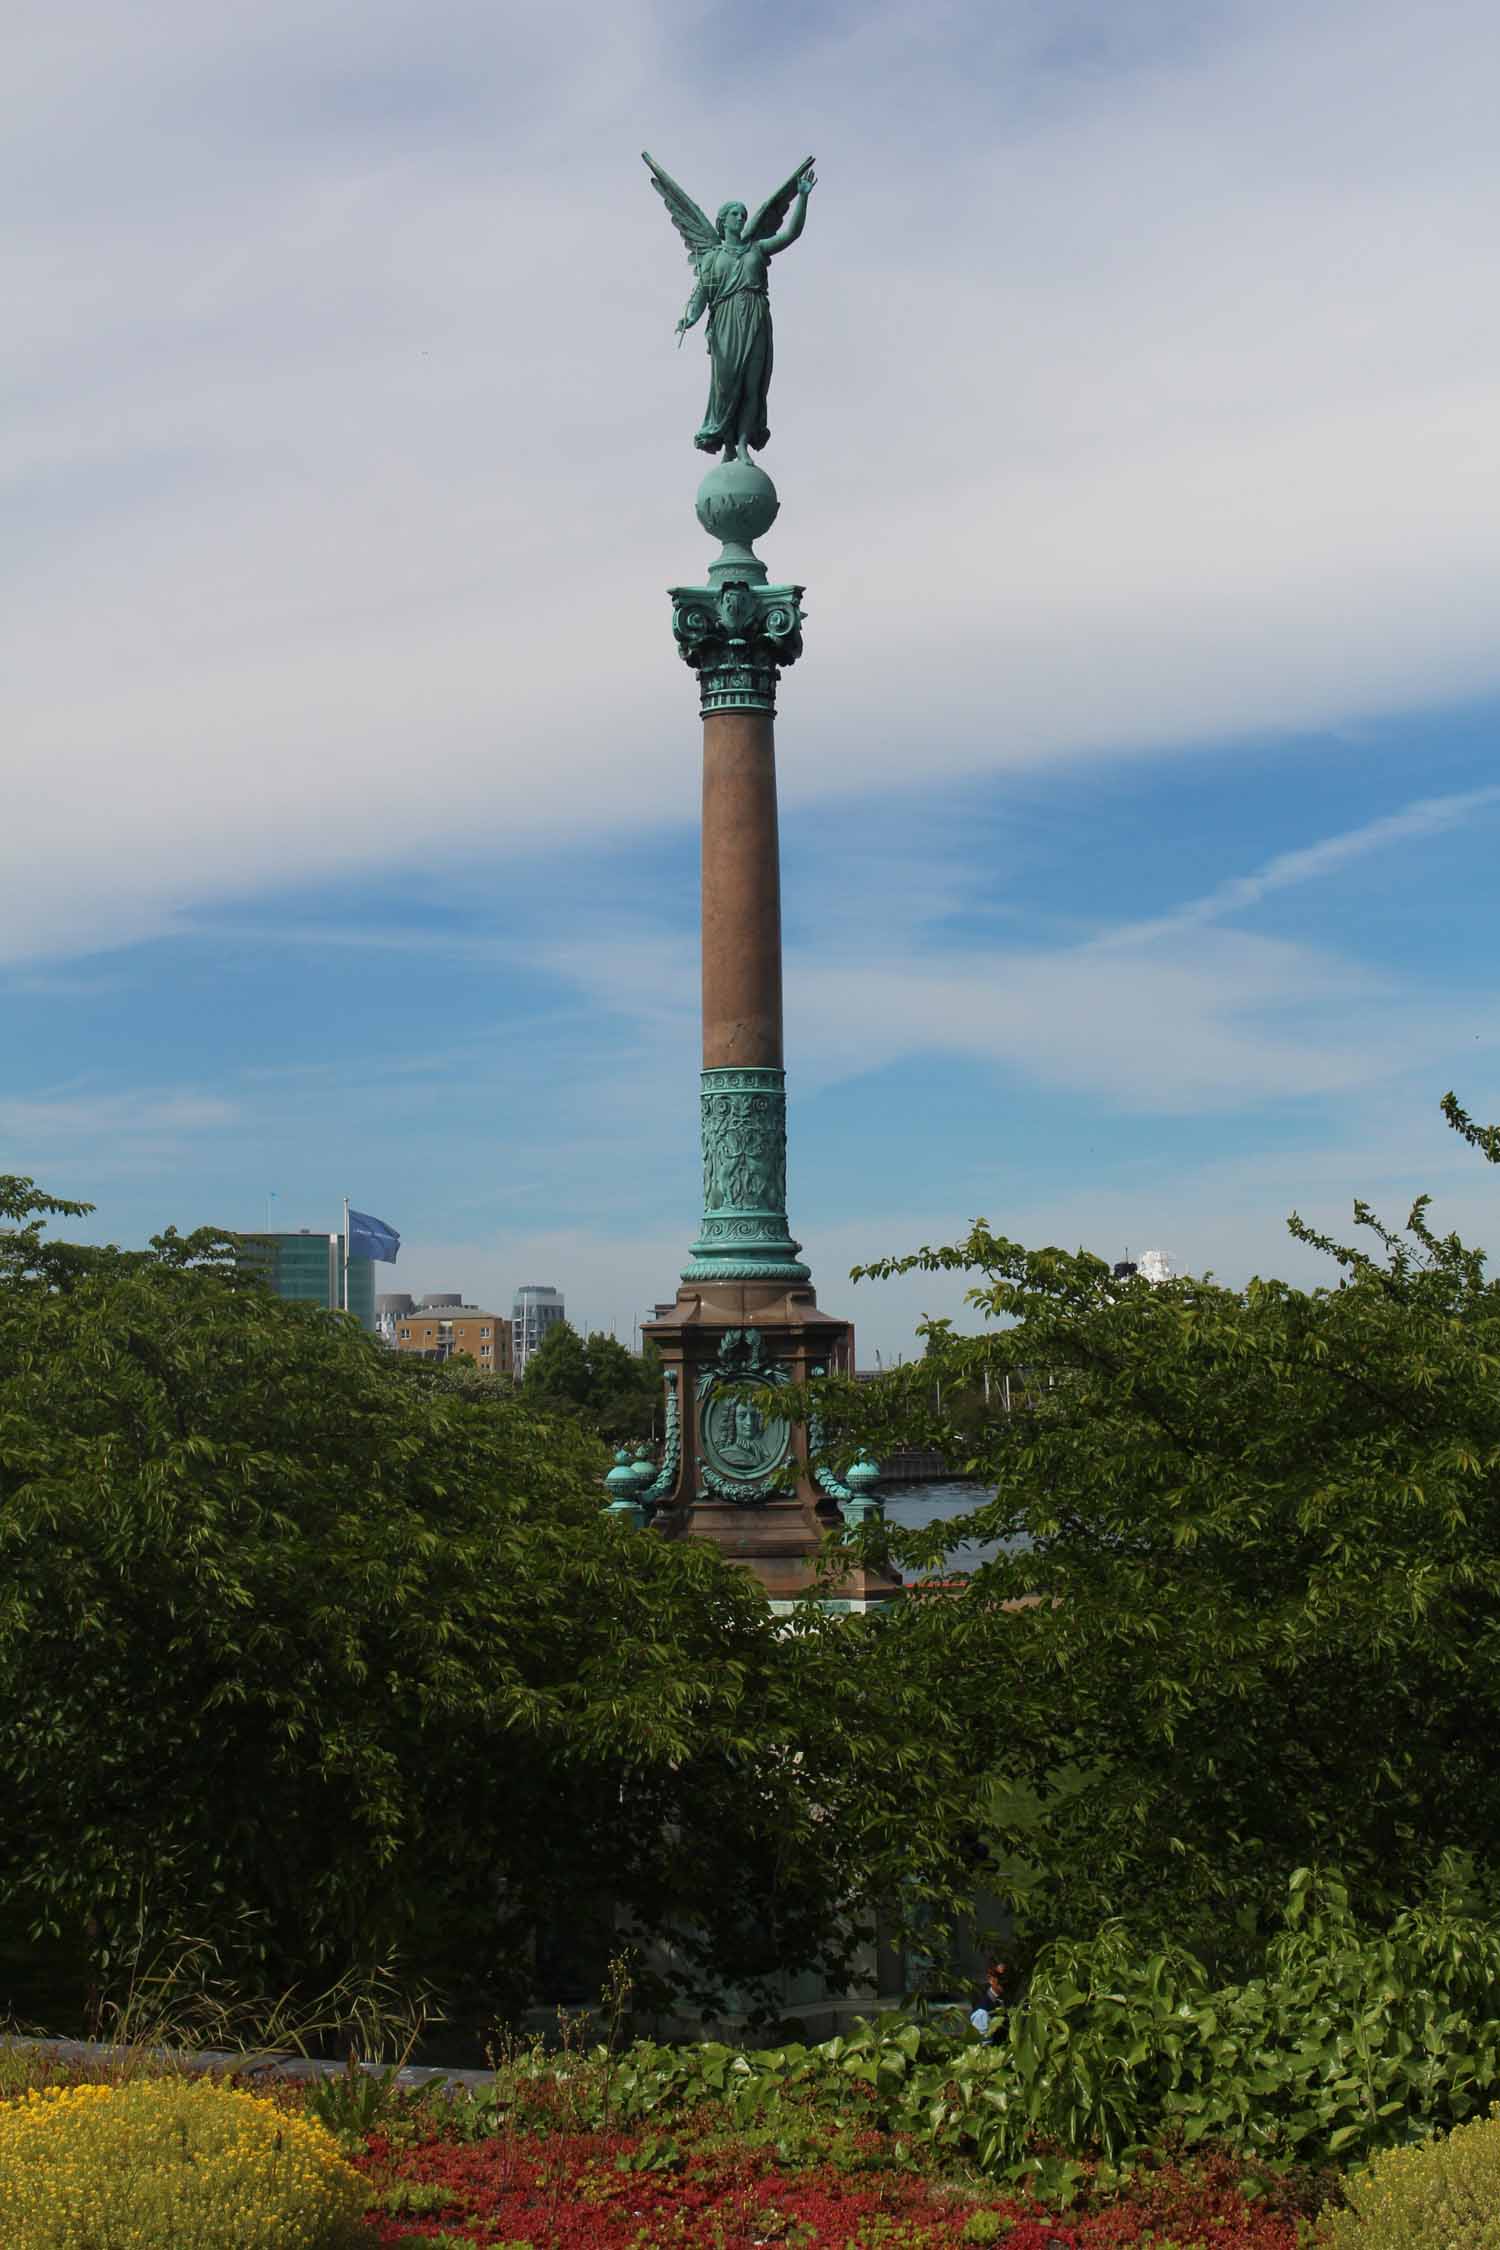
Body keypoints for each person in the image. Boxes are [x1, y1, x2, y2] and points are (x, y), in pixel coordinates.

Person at [969, 1960, 1008, 2040]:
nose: (1005, 1981)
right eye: (1000, 1977)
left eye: (1008, 1977)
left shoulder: (1005, 2001)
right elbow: (982, 2046)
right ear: (990, 1979)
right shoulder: (981, 2012)